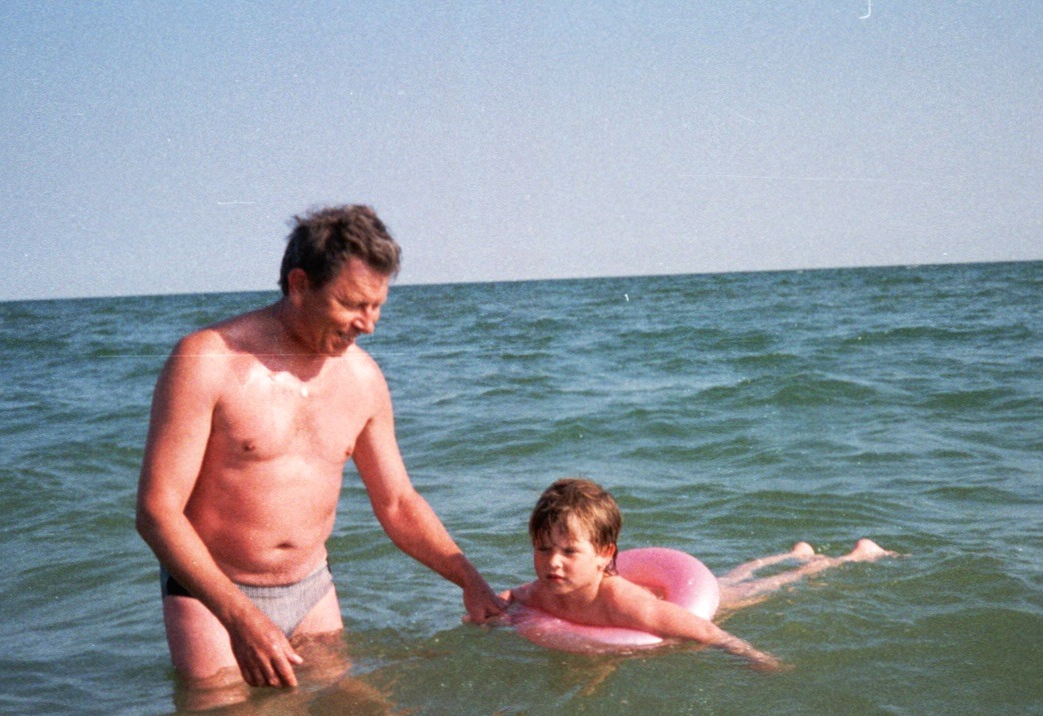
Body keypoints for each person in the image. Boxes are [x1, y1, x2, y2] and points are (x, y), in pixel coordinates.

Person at [136, 205, 504, 689]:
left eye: (376, 307)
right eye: (352, 305)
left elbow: (397, 503)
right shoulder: (208, 360)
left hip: (311, 590)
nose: (367, 324)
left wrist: (469, 579)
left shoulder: (364, 379)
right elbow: (157, 511)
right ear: (300, 284)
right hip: (211, 595)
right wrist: (240, 618)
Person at [498, 478, 895, 671]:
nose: (553, 562)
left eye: (569, 552)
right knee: (733, 578)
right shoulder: (543, 592)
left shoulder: (624, 602)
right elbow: (515, 595)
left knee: (754, 590)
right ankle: (794, 553)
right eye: (543, 549)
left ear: (604, 556)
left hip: (679, 606)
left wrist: (752, 656)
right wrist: (497, 603)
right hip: (668, 598)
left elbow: (706, 632)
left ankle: (851, 557)